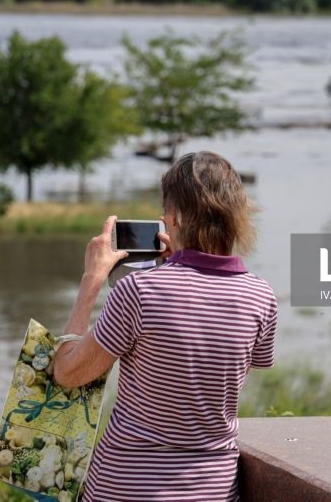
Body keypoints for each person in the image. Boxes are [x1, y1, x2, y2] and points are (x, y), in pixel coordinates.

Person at [53, 151, 277, 501]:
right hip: (212, 491)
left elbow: (68, 373)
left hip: (125, 489)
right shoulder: (260, 296)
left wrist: (91, 280)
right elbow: (213, 377)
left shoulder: (138, 292)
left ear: (172, 218)